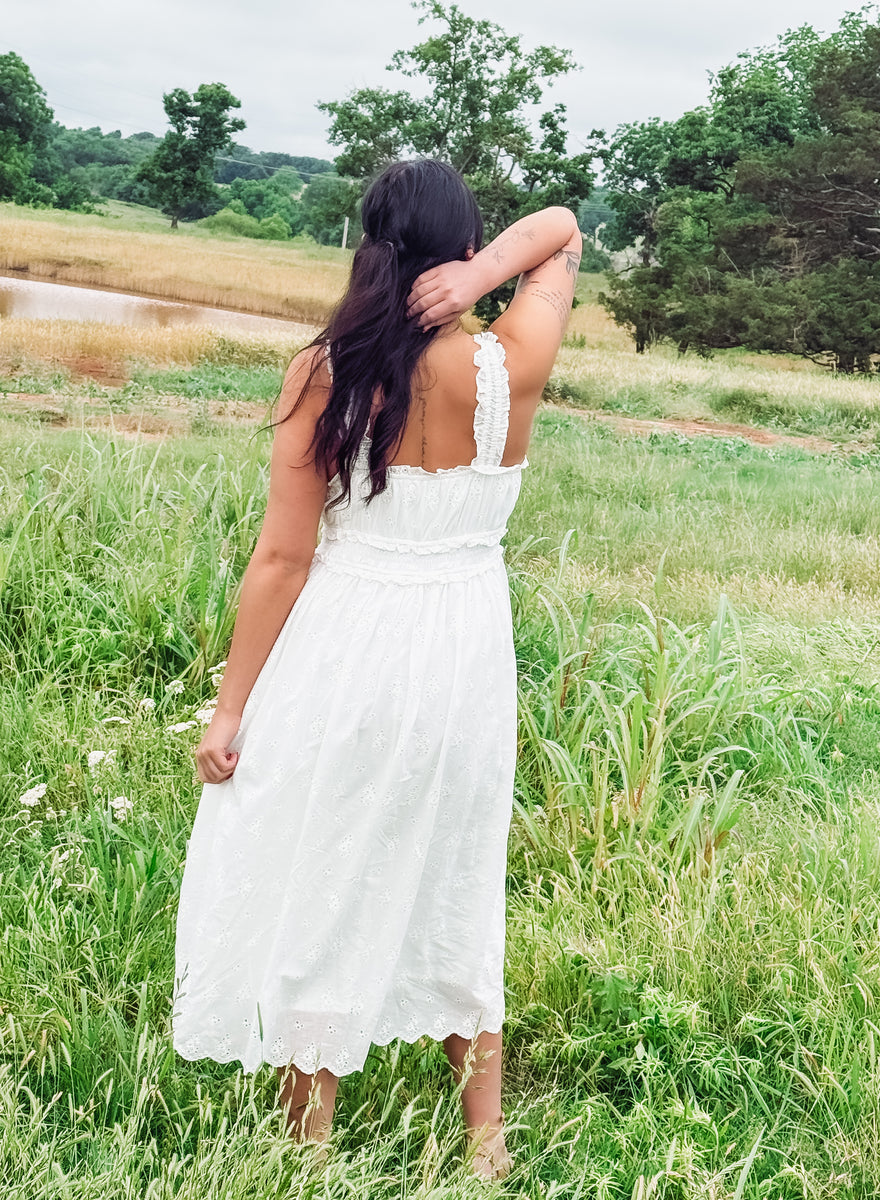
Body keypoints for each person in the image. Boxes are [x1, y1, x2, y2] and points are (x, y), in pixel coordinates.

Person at [172, 158, 581, 1181]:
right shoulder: (512, 362)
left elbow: (282, 558)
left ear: (371, 246)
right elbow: (565, 230)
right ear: (460, 248)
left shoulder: (329, 370)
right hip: (467, 652)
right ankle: (484, 1141)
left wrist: (229, 714)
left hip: (352, 644)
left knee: (324, 866)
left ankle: (308, 1148)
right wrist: (486, 270)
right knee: (455, 869)